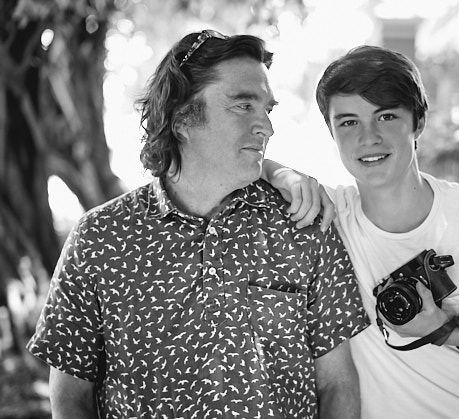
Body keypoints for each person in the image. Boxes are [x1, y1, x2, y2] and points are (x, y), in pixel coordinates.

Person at [27, 30, 369, 419]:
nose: (267, 128)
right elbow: (70, 396)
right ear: (181, 116)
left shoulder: (305, 225)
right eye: (244, 106)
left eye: (267, 110)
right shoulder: (100, 239)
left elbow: (337, 384)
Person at [264, 45, 459, 418]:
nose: (368, 138)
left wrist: (449, 331)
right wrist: (278, 172)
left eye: (385, 117)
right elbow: (232, 160)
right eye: (348, 122)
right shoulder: (328, 218)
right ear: (332, 133)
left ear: (418, 122)